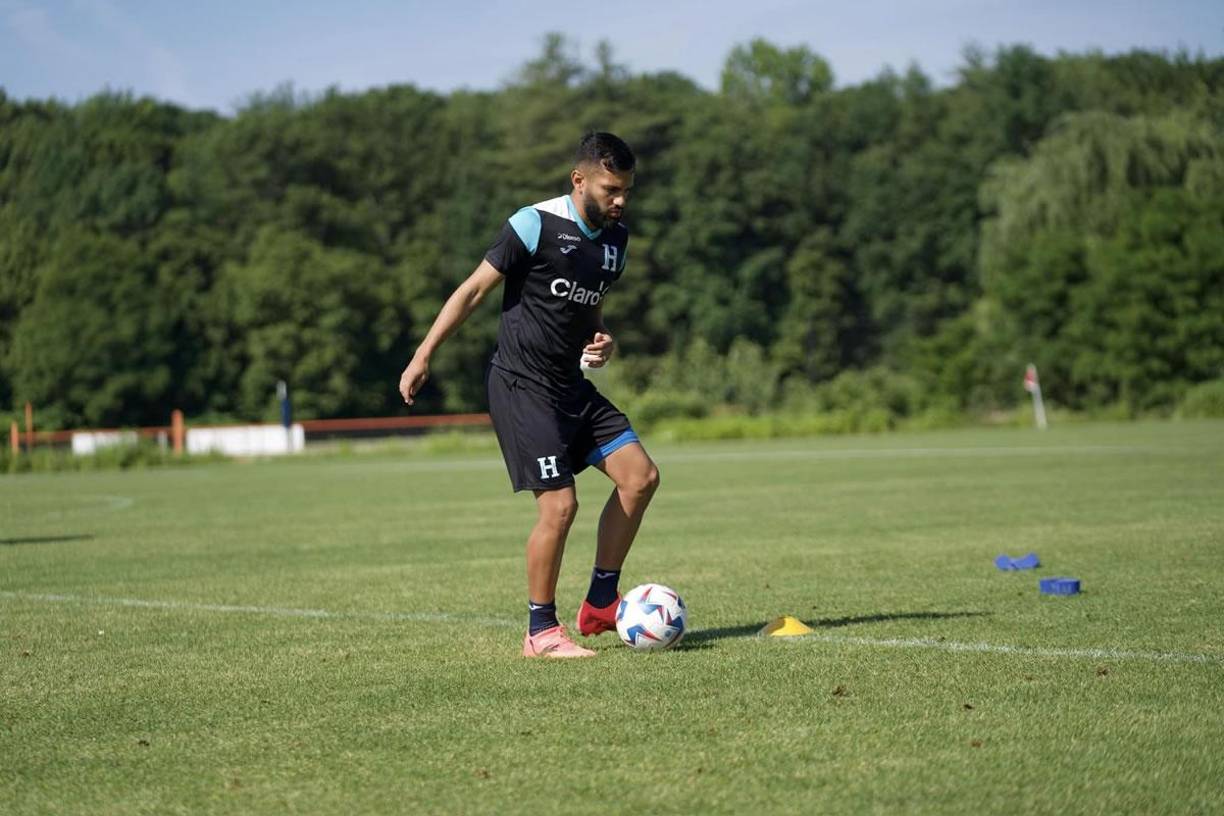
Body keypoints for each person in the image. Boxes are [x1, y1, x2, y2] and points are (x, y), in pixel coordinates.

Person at [398, 132, 659, 659]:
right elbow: (473, 290)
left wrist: (602, 343)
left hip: (570, 385)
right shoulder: (533, 224)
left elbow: (590, 310)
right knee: (560, 506)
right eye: (611, 189)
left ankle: (600, 605)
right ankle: (540, 632)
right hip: (521, 387)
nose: (621, 201)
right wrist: (424, 352)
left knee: (640, 477)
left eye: (626, 190)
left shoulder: (616, 242)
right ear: (578, 180)